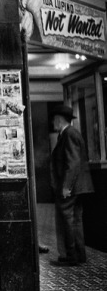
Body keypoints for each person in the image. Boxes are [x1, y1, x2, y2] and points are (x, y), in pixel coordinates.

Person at [50, 104, 94, 266]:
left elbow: (73, 163)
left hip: (71, 186)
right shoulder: (69, 134)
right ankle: (79, 254)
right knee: (75, 220)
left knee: (67, 220)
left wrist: (66, 186)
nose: (53, 122)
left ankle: (71, 256)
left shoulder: (68, 134)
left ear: (59, 119)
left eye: (54, 119)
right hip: (79, 186)